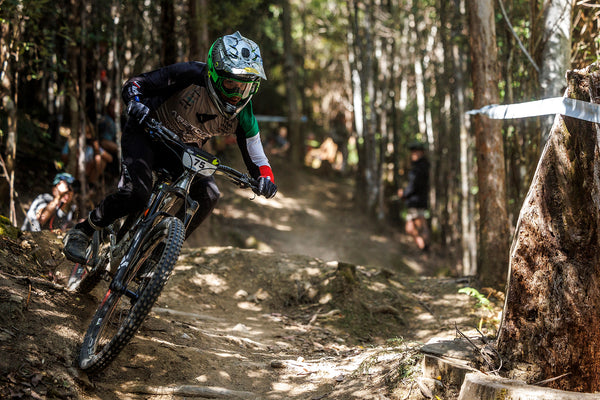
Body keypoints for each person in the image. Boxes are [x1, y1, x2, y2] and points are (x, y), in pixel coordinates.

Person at [63, 31, 278, 264]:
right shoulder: (191, 74)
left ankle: (156, 260)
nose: (237, 95)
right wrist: (135, 103)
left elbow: (257, 155)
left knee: (209, 194)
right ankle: (83, 230)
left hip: (181, 150)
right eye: (231, 84)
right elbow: (137, 83)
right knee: (137, 193)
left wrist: (265, 180)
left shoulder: (244, 114)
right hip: (146, 133)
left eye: (245, 88)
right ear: (215, 74)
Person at [398, 141, 430, 252]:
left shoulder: (419, 169)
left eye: (416, 152)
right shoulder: (420, 167)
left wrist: (404, 194)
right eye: (412, 152)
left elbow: (414, 185)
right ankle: (424, 247)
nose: (413, 154)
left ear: (421, 153)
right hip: (416, 202)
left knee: (419, 226)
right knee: (412, 228)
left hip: (417, 202)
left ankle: (425, 248)